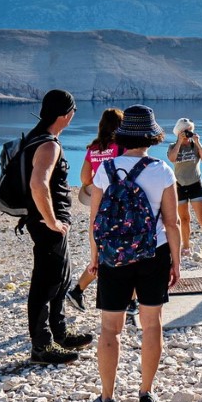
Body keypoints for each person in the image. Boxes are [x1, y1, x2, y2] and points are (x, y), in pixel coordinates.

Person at [83, 105, 182, 402]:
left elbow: (95, 219)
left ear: (123, 136)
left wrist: (95, 256)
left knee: (110, 330)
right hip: (154, 254)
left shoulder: (105, 170)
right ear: (152, 137)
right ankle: (146, 392)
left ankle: (107, 398)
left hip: (114, 256)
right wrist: (176, 262)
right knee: (152, 324)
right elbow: (172, 222)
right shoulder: (162, 170)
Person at [21, 90, 93, 364]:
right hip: (46, 223)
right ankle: (41, 347)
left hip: (45, 221)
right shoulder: (49, 145)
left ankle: (60, 333)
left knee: (61, 277)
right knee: (45, 282)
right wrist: (51, 220)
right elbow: (38, 184)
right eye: (73, 111)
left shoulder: (36, 138)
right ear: (66, 115)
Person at [72, 108, 123, 311]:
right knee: (127, 251)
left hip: (99, 205)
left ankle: (77, 290)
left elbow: (85, 179)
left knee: (103, 251)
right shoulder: (121, 147)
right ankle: (132, 301)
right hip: (118, 205)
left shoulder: (93, 148)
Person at [168, 118, 202, 258]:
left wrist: (198, 142)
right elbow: (172, 158)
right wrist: (179, 141)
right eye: (186, 131)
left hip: (195, 184)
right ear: (179, 132)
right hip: (179, 185)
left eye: (191, 130)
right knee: (184, 219)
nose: (189, 133)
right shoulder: (173, 146)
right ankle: (186, 246)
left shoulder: (194, 145)